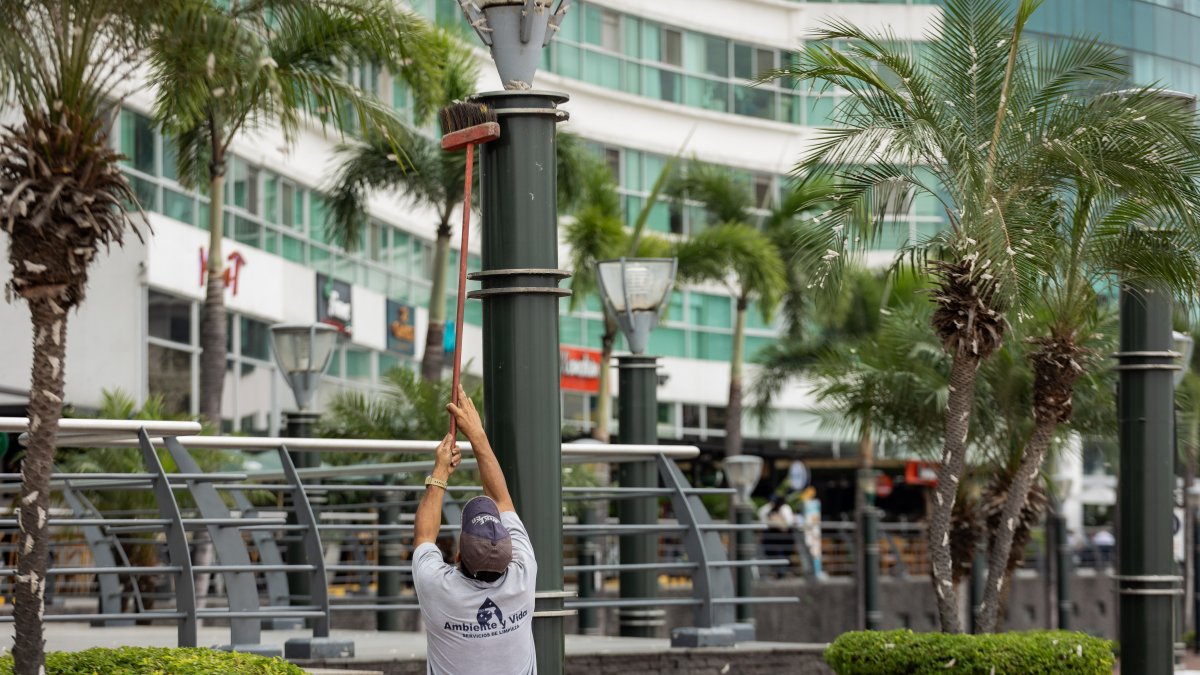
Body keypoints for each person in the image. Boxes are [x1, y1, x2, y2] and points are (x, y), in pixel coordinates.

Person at [412, 385, 537, 674]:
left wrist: (441, 471)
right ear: (508, 550)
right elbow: (502, 499)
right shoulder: (523, 575)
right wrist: (478, 435)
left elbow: (424, 535)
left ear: (458, 556)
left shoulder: (438, 587)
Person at [757, 494, 796, 578]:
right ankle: (779, 573)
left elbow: (789, 524)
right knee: (777, 556)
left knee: (780, 557)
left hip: (780, 538)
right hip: (776, 538)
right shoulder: (767, 509)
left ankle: (781, 573)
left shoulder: (783, 508)